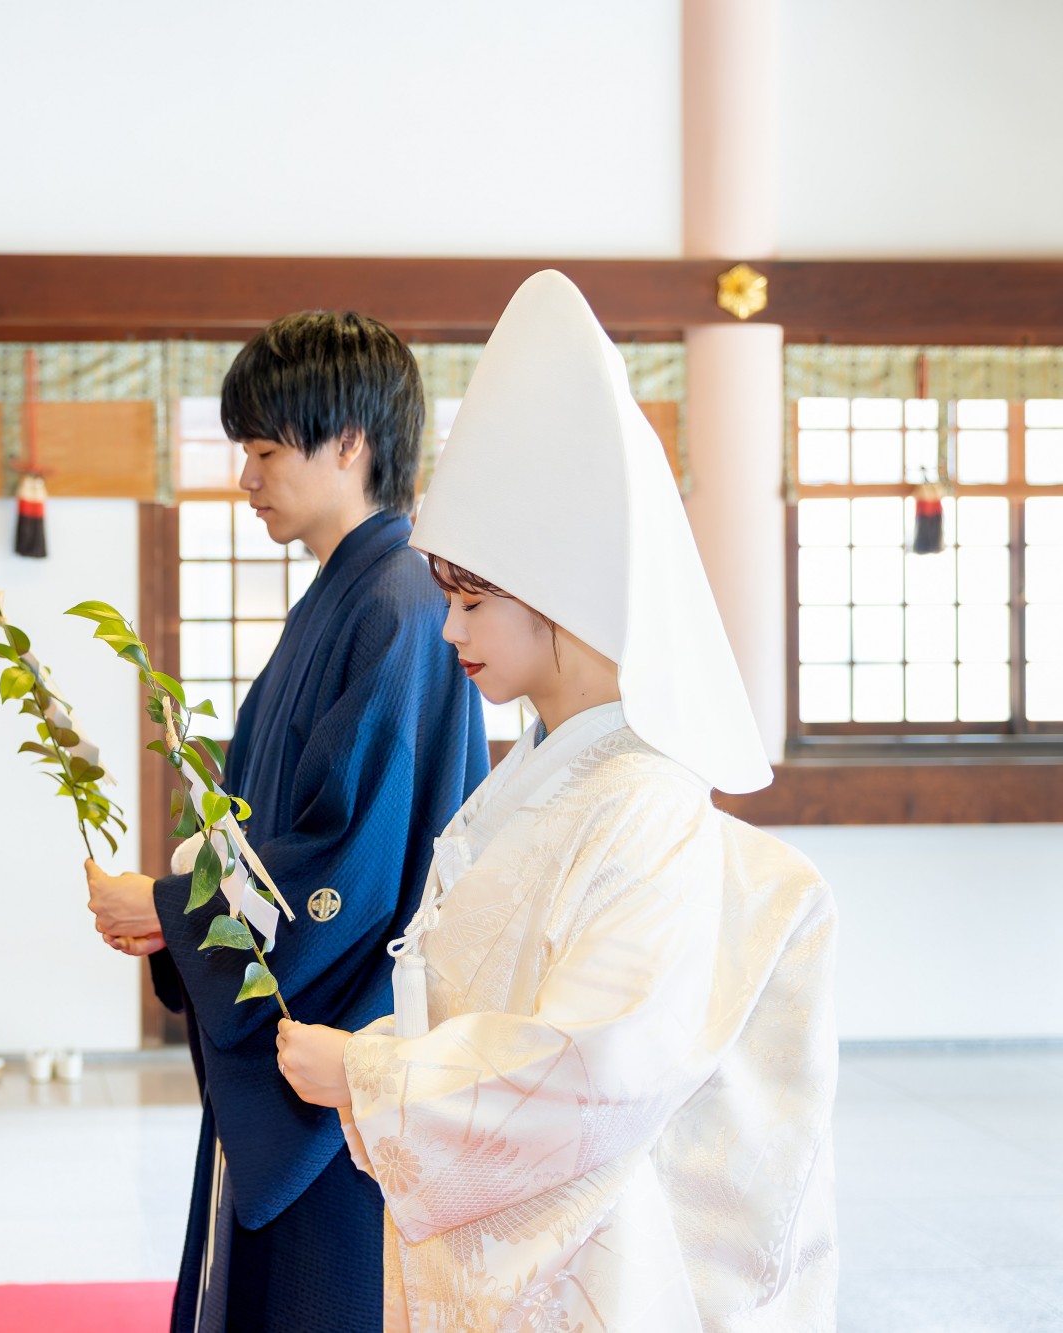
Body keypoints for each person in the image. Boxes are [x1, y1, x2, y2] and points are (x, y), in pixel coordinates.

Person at [275, 270, 838, 1331]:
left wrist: (371, 1072)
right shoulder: (546, 774)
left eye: (473, 601)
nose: (449, 633)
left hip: (585, 1254)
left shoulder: (640, 798)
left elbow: (601, 1060)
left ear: (567, 597)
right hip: (507, 1243)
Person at [84, 311, 492, 1332]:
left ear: (347, 441)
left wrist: (176, 910)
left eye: (263, 450)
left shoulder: (397, 604)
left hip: (340, 1057)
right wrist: (174, 913)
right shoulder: (345, 600)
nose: (245, 478)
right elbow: (273, 831)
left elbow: (341, 867)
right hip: (294, 1041)